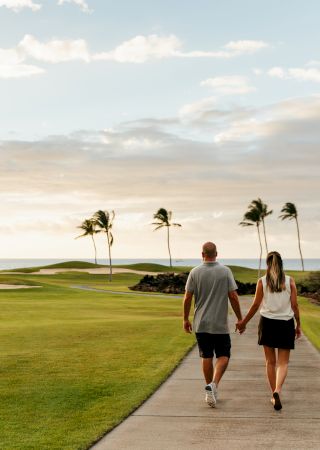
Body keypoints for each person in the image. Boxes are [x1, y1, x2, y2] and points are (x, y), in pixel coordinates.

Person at [236, 251, 301, 411]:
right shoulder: (290, 281)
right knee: (283, 362)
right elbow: (294, 305)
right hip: (286, 323)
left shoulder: (262, 281)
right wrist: (298, 325)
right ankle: (278, 390)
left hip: (267, 324)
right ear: (281, 263)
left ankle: (274, 394)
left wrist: (243, 322)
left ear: (267, 264)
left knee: (270, 362)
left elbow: (255, 305)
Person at [183, 242, 243, 407]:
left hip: (201, 323)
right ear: (217, 253)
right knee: (224, 355)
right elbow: (233, 296)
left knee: (206, 356)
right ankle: (214, 385)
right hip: (220, 324)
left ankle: (210, 390)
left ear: (202, 254)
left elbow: (187, 297)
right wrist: (240, 319)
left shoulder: (195, 272)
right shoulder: (225, 271)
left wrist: (185, 319)